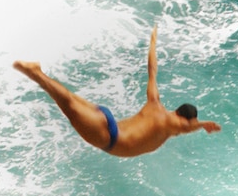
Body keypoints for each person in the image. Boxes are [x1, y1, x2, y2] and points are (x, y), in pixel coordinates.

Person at [13, 26, 221, 157]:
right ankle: (35, 73)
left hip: (108, 122)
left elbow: (152, 70)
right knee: (67, 104)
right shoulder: (171, 123)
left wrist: (153, 42)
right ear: (181, 116)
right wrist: (203, 124)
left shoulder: (155, 103)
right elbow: (186, 127)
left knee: (69, 101)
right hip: (110, 137)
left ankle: (37, 73)